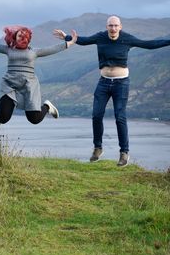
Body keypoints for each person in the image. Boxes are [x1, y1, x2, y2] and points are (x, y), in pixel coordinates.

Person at [54, 15, 170, 167]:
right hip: (103, 83)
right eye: (111, 26)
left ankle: (124, 152)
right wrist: (66, 37)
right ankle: (98, 148)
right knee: (96, 115)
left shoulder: (127, 39)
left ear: (120, 27)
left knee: (119, 117)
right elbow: (83, 40)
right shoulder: (101, 37)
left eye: (116, 25)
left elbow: (149, 44)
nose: (113, 28)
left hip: (121, 84)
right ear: (107, 26)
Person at [0, 17, 77, 129]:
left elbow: (52, 49)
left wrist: (70, 43)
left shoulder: (33, 52)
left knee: (34, 119)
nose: (22, 37)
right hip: (10, 85)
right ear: (14, 37)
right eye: (19, 35)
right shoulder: (9, 49)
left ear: (27, 38)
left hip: (28, 86)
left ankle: (47, 106)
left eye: (24, 35)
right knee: (3, 118)